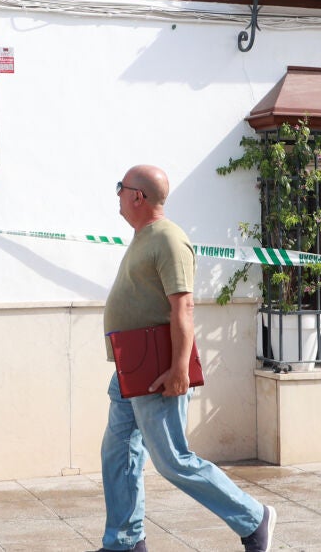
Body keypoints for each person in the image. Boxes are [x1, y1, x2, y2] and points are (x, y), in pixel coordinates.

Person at [96, 165, 276, 552]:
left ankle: (253, 518)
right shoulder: (144, 236)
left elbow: (184, 307)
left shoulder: (168, 239)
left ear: (137, 196)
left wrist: (179, 369)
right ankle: (125, 542)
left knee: (173, 460)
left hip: (156, 370)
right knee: (118, 452)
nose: (118, 195)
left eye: (121, 188)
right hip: (131, 369)